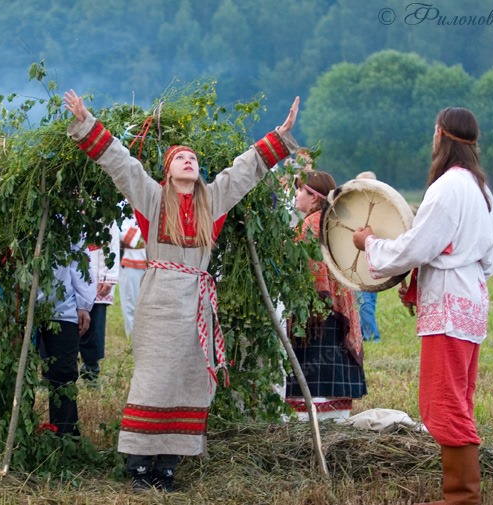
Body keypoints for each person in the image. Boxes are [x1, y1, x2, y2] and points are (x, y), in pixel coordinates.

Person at [64, 89, 299, 492]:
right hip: (159, 299)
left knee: (189, 378)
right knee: (154, 377)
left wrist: (278, 136)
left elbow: (244, 170)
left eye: (192, 158)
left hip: (196, 300)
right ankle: (139, 464)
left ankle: (168, 465)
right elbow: (121, 164)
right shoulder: (153, 199)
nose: (188, 161)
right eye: (179, 158)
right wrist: (87, 122)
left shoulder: (214, 199)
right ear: (168, 171)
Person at [353, 107, 493, 505]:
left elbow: (418, 245)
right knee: (458, 398)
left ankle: (461, 497)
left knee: (443, 402)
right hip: (469, 301)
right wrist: (421, 283)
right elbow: (485, 259)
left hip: (450, 308)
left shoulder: (449, 187)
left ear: (440, 136)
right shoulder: (483, 191)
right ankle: (461, 493)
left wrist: (369, 244)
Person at [285, 171, 366, 422]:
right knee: (333, 356)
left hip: (315, 310)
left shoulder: (310, 225)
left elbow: (305, 270)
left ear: (314, 197)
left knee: (312, 363)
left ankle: (311, 419)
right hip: (338, 306)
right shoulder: (335, 223)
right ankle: (337, 415)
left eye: (301, 190)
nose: (296, 194)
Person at [37, 244, 96, 435]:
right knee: (21, 372)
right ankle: (18, 435)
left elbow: (79, 259)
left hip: (63, 306)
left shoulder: (67, 218)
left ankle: (65, 436)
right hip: (23, 305)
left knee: (63, 372)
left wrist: (83, 304)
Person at [79, 222, 120, 382]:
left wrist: (108, 277)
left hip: (97, 272)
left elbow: (113, 243)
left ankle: (90, 370)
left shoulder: (104, 211)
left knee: (94, 325)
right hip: (71, 272)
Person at [353, 171, 381, 342]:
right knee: (366, 301)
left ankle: (371, 336)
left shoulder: (376, 209)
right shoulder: (358, 206)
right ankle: (366, 332)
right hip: (361, 259)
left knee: (366, 301)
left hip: (372, 258)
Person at [118, 208, 147, 337]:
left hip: (153, 260)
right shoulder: (123, 206)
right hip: (131, 260)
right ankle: (132, 335)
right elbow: (120, 231)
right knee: (131, 302)